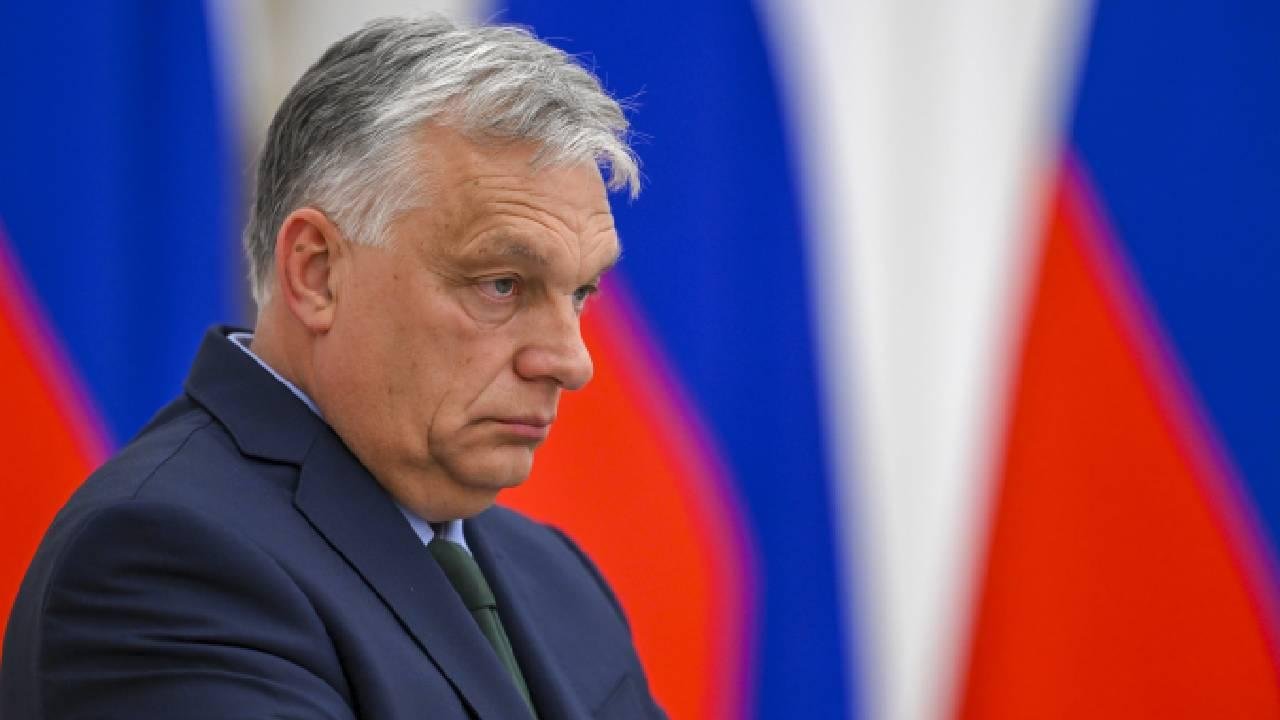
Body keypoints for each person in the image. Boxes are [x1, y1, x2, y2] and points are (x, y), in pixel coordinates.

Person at [1, 15, 665, 719]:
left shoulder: (559, 581)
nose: (571, 361)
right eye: (502, 284)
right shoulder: (160, 561)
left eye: (580, 293)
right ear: (316, 272)